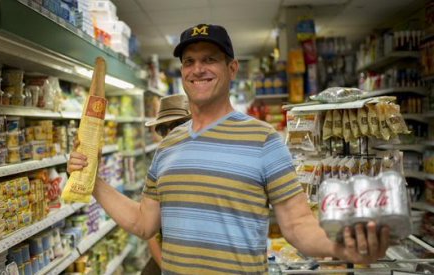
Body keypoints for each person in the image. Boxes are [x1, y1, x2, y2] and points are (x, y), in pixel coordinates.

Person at [68, 23, 390, 274]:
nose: (198, 69)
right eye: (189, 61)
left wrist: (340, 247)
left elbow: (297, 226)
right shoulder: (167, 147)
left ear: (232, 69)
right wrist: (92, 180)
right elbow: (143, 223)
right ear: (182, 73)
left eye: (210, 59)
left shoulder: (264, 140)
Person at [142, 94, 191, 275]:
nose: (170, 134)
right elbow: (151, 231)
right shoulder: (159, 168)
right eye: (163, 129)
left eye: (178, 126)